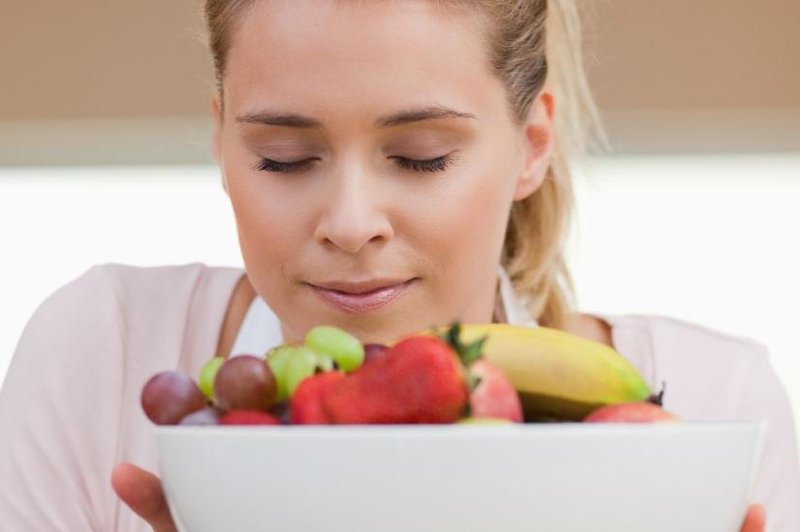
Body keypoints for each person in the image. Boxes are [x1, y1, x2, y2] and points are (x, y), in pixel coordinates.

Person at [0, 0, 796, 530]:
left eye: (420, 158)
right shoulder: (99, 355)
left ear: (533, 146)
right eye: (283, 158)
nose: (350, 225)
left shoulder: (713, 406)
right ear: (220, 139)